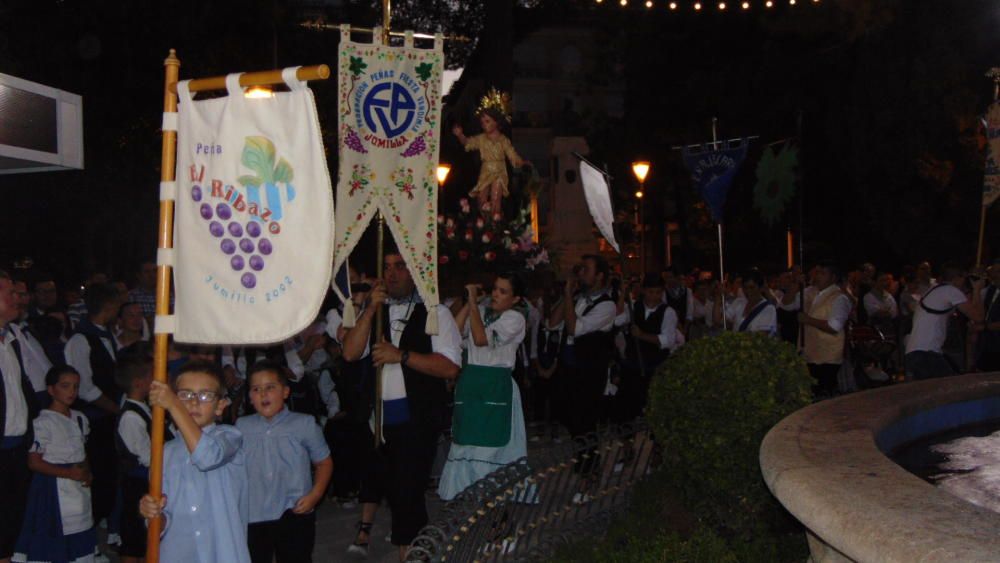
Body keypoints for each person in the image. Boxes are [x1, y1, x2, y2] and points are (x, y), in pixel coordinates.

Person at [340, 250, 461, 561]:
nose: (391, 274)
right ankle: (414, 549)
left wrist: (402, 356)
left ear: (415, 272)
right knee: (395, 492)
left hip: (416, 418)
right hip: (378, 420)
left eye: (400, 267)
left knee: (407, 491)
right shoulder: (376, 312)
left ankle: (409, 554)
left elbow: (449, 368)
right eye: (387, 267)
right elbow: (351, 353)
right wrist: (369, 311)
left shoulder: (436, 313)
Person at [138, 361, 250, 563]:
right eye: (185, 395)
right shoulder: (165, 453)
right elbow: (165, 518)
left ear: (221, 406)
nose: (194, 402)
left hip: (221, 553)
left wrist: (174, 405)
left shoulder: (230, 437)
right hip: (179, 553)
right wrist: (153, 513)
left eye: (205, 395)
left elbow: (207, 457)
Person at [438, 273, 528, 501]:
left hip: (495, 388)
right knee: (465, 446)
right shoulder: (482, 314)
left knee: (489, 452)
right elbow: (454, 333)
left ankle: (498, 517)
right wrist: (471, 305)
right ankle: (468, 508)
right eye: (495, 289)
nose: (496, 294)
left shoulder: (515, 319)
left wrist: (472, 304)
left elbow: (480, 339)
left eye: (503, 291)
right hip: (470, 388)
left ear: (516, 298)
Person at [237, 361, 332, 563]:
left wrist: (315, 495)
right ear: (250, 396)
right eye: (256, 389)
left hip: (294, 510)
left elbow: (323, 462)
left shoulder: (304, 423)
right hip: (254, 513)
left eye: (270, 387)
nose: (263, 394)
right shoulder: (241, 427)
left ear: (286, 392)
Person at [13, 365, 96, 563]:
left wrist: (86, 472)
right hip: (53, 489)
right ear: (51, 390)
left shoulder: (79, 418)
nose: (72, 392)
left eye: (75, 387)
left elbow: (82, 451)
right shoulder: (43, 422)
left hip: (77, 488)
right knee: (53, 539)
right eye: (65, 386)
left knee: (80, 532)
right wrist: (68, 474)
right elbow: (34, 462)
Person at [63, 283, 122, 529]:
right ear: (109, 307)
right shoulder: (80, 340)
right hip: (96, 420)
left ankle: (109, 521)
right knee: (99, 473)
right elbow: (85, 388)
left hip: (110, 417)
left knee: (111, 474)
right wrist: (117, 410)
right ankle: (95, 525)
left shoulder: (106, 335)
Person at [114, 343, 170, 563]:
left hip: (146, 480)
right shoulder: (130, 417)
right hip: (136, 483)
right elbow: (146, 455)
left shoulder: (143, 408)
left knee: (145, 534)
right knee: (134, 534)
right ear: (139, 383)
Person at [1, 270, 40, 563]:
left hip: (14, 449)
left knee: (10, 524)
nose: (18, 299)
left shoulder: (10, 340)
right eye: (9, 293)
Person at [904, 263, 984, 380]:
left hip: (914, 352)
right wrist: (977, 290)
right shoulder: (950, 291)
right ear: (957, 278)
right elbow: (978, 317)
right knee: (952, 389)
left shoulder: (935, 291)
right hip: (926, 353)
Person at [451, 90, 525, 216]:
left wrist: (520, 161)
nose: (484, 125)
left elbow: (511, 154)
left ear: (496, 122)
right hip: (485, 170)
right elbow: (468, 143)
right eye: (482, 122)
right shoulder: (481, 138)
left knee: (496, 199)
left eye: (487, 121)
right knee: (481, 200)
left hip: (499, 171)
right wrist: (460, 135)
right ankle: (485, 227)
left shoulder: (503, 140)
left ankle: (495, 226)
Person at [622, 273, 682, 419]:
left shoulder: (668, 312)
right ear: (643, 291)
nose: (654, 296)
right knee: (629, 404)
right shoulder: (633, 307)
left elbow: (668, 340)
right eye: (650, 292)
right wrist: (621, 296)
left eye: (658, 292)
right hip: (633, 363)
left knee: (652, 404)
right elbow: (617, 320)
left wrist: (642, 335)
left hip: (654, 365)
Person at [798, 261, 852, 398]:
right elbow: (787, 304)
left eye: (823, 273)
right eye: (817, 273)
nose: (818, 276)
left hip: (827, 358)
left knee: (824, 394)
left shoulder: (839, 298)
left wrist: (808, 320)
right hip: (811, 354)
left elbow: (834, 326)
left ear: (833, 277)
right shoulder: (812, 293)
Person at [716, 270, 777, 335]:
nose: (748, 291)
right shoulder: (739, 302)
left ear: (761, 288)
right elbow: (719, 322)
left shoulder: (769, 309)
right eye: (745, 287)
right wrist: (719, 296)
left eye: (752, 287)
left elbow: (761, 336)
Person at [975, 261, 1000, 372]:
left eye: (997, 271)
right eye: (992, 271)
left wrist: (986, 327)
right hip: (987, 344)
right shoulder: (991, 290)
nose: (993, 274)